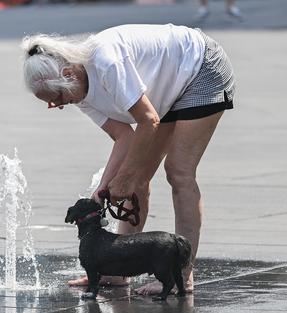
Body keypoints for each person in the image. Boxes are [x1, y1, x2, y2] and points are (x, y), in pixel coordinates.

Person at [21, 24, 235, 296]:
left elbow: (148, 120)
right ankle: (117, 270)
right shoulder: (78, 91)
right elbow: (124, 138)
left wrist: (124, 179)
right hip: (166, 91)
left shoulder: (105, 62)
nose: (59, 105)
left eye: (57, 98)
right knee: (138, 180)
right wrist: (102, 190)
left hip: (200, 68)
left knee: (178, 172)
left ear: (67, 74)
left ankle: (183, 273)